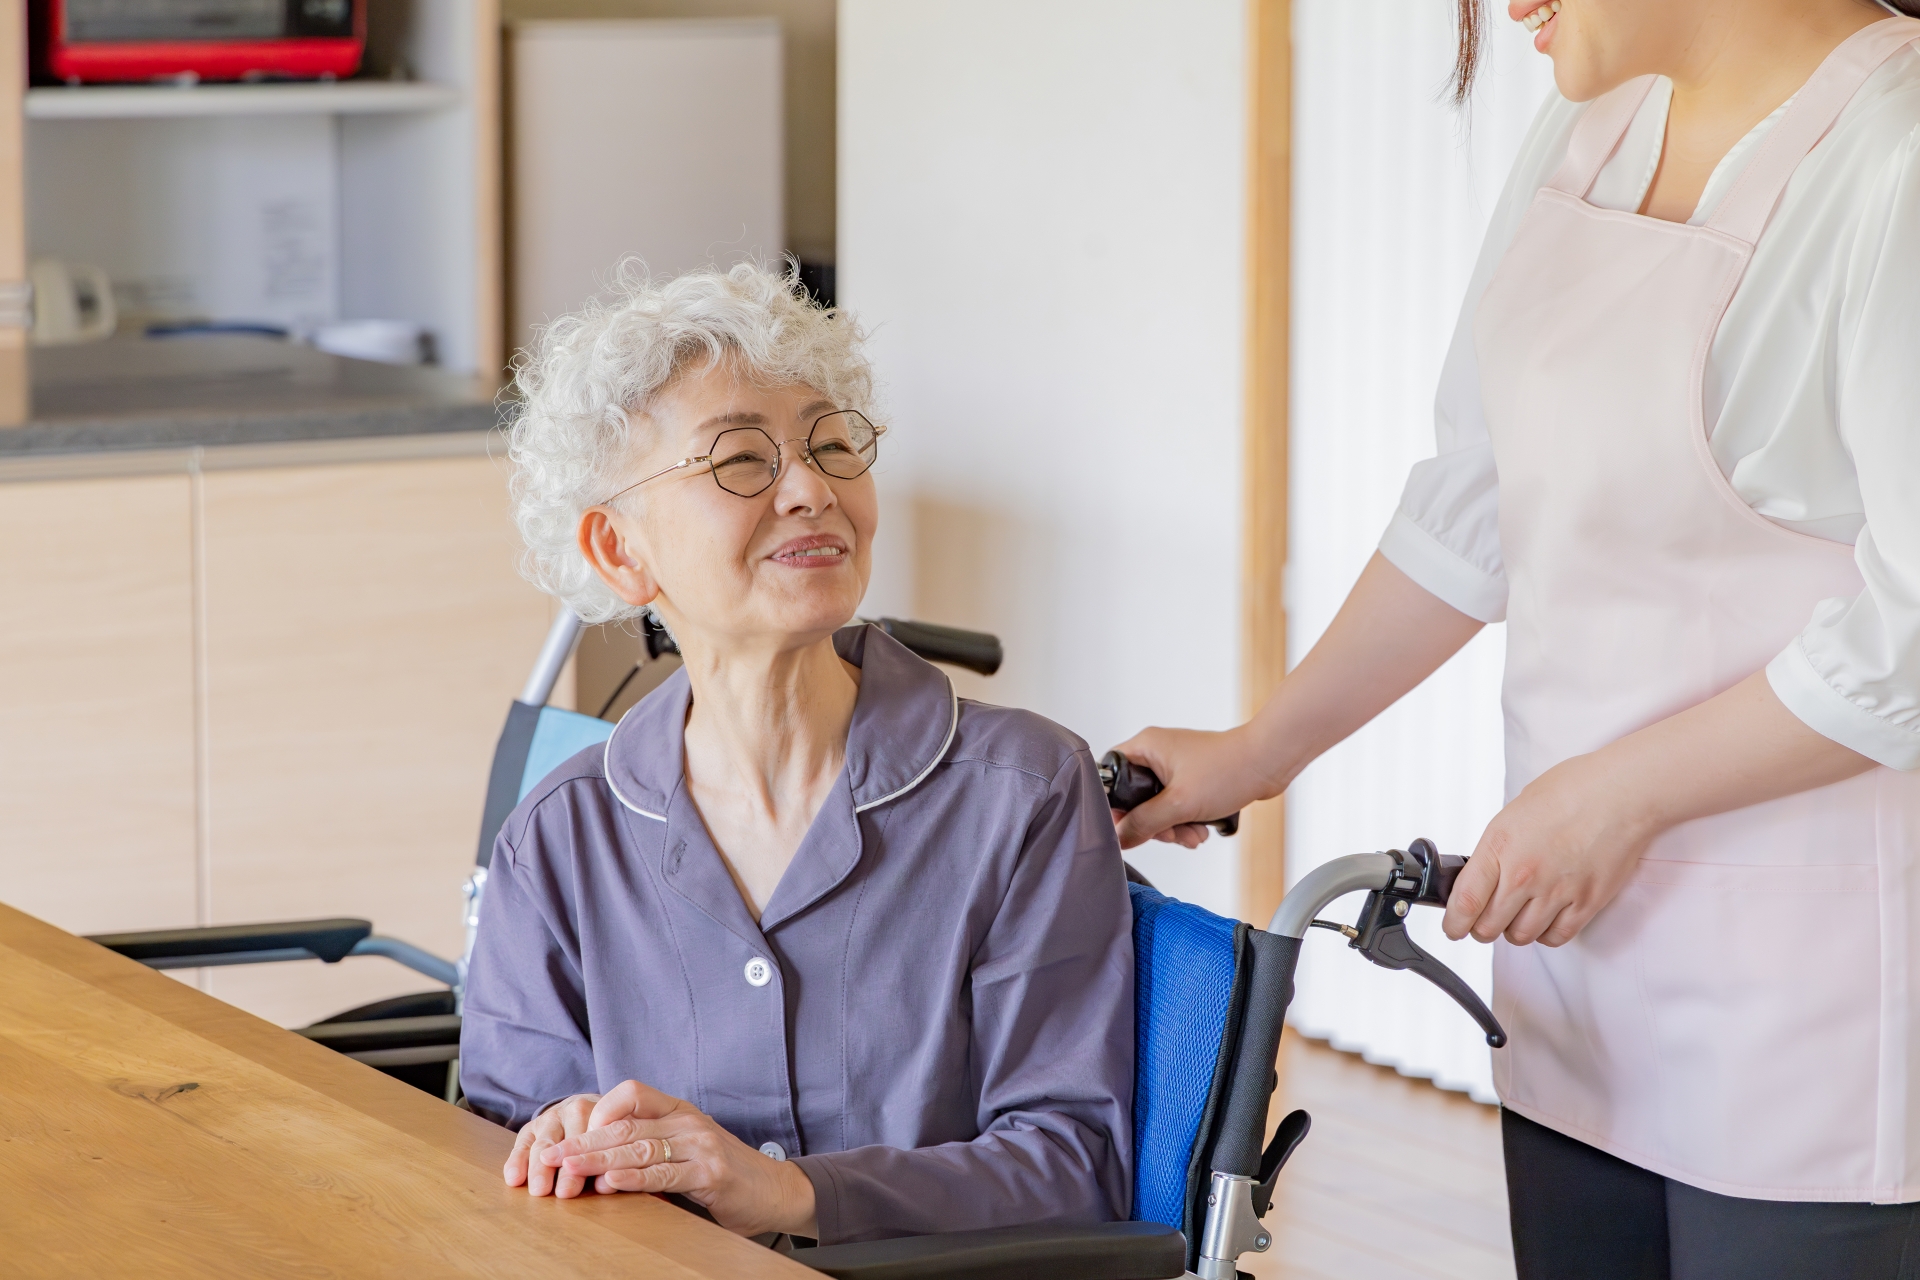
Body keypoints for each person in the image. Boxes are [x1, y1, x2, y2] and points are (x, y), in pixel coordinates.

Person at [1113, 2, 1920, 1275]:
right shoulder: (1590, 126)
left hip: (1821, 1017)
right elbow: (1474, 506)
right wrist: (1261, 749)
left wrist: (1615, 797)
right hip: (1580, 977)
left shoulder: (1895, 158)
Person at [459, 262, 1134, 1246]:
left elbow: (1077, 1160)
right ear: (618, 551)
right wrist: (551, 1145)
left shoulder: (1024, 792)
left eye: (830, 444)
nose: (813, 488)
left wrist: (787, 1190)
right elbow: (499, 1148)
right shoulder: (556, 841)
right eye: (741, 461)